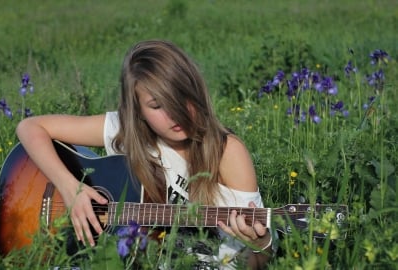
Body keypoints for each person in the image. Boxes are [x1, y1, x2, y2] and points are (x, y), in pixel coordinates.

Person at [16, 40, 273, 269]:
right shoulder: (127, 131)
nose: (173, 115)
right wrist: (70, 187)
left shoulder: (227, 153)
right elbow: (29, 127)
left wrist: (261, 242)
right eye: (157, 106)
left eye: (181, 98)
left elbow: (256, 261)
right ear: (137, 110)